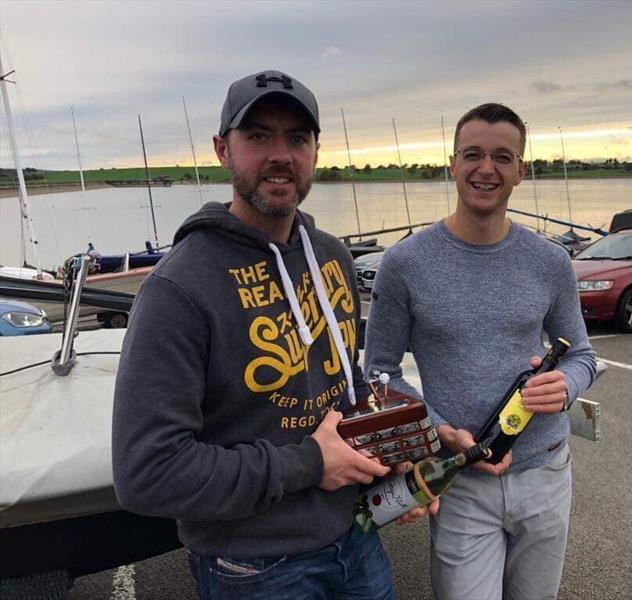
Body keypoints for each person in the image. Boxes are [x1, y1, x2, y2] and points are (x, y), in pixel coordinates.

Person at [113, 70, 399, 600]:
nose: (281, 155)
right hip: (251, 566)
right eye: (258, 135)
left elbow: (341, 390)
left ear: (316, 149)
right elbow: (147, 472)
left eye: (297, 138)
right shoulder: (179, 287)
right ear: (223, 149)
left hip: (356, 541)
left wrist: (401, 451)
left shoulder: (333, 257)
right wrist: (310, 464)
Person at [364, 103, 597, 600]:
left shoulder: (552, 262)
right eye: (472, 154)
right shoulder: (404, 263)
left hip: (547, 470)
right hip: (459, 481)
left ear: (520, 171)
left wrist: (567, 384)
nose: (485, 168)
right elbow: (379, 374)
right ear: (452, 164)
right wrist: (435, 427)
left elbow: (582, 355)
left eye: (501, 156)